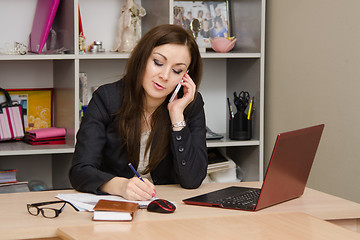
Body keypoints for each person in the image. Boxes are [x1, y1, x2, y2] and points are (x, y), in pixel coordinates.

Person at [69, 24, 208, 201]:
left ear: (185, 76)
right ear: (142, 58)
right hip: (117, 207)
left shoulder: (190, 104)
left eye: (177, 70)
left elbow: (193, 180)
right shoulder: (106, 99)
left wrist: (177, 116)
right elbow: (80, 171)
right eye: (158, 62)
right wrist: (120, 186)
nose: (164, 75)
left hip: (167, 207)